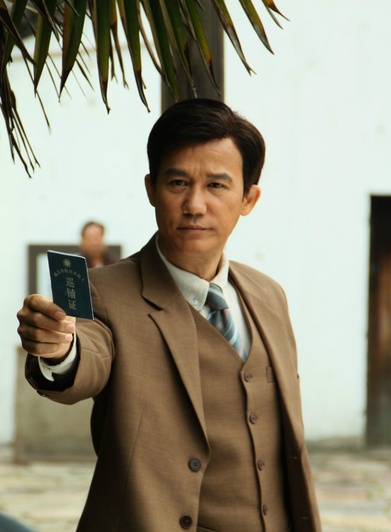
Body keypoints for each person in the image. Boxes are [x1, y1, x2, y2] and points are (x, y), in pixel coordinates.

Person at [17, 99, 321, 531]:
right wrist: (61, 348)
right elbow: (86, 355)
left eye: (216, 185)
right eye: (178, 182)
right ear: (151, 189)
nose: (194, 204)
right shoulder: (102, 291)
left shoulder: (269, 295)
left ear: (248, 198)